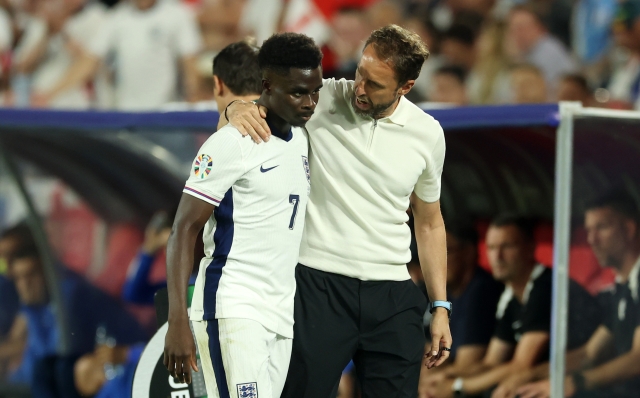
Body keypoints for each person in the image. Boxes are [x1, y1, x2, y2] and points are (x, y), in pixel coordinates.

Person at [225, 24, 451, 398]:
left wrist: (440, 306)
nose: (359, 88)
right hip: (317, 287)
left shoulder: (428, 134)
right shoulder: (321, 98)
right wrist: (235, 108)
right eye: (359, 73)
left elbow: (429, 223)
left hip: (393, 295)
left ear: (405, 87)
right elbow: (249, 109)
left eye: (374, 84)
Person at [163, 32, 323, 398]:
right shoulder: (232, 142)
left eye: (314, 92)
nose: (310, 102)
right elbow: (183, 229)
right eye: (299, 92)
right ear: (267, 86)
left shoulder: (300, 140)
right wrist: (178, 320)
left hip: (281, 312)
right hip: (233, 307)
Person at [424, 215, 600, 398]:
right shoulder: (510, 296)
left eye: (507, 247)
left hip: (585, 386)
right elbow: (492, 362)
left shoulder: (546, 288)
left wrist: (458, 386)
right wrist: (449, 375)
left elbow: (522, 365)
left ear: (530, 248)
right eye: (491, 248)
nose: (498, 256)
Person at [504, 190, 640, 398]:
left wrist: (573, 383)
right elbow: (589, 353)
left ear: (629, 229)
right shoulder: (622, 288)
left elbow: (637, 359)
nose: (592, 240)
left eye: (601, 228)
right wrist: (529, 375)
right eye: (588, 230)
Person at [8, 245, 147, 397]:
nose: (25, 284)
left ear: (48, 272)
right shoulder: (36, 310)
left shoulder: (71, 298)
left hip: (129, 366)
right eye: (19, 278)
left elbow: (61, 358)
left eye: (31, 275)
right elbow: (36, 363)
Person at [33, 0, 202, 110]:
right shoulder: (117, 18)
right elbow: (89, 62)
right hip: (126, 114)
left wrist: (193, 102)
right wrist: (49, 95)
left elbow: (190, 65)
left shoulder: (177, 15)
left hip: (164, 113)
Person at [418, 220, 504, 397]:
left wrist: (431, 382)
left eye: (445, 251)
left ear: (469, 252)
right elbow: (430, 356)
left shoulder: (482, 290)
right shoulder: (444, 293)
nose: (436, 261)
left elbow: (468, 364)